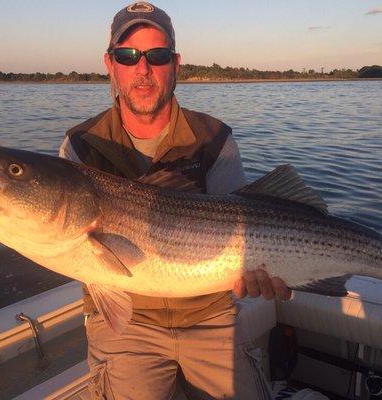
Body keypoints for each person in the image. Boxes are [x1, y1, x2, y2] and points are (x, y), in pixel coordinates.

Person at [59, 2, 291, 399]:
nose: (143, 69)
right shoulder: (82, 146)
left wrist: (260, 272)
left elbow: (249, 223)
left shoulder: (214, 138)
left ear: (176, 63)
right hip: (127, 324)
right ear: (110, 64)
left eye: (158, 55)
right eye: (127, 56)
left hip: (210, 314)